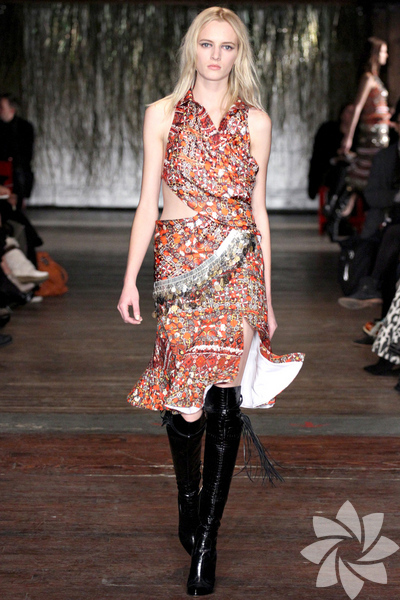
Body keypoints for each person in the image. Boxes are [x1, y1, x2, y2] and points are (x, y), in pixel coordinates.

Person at [118, 7, 304, 596]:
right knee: (188, 407)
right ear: (192, 50)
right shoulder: (161, 114)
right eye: (207, 44)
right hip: (179, 269)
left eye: (227, 46)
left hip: (240, 267)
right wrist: (129, 279)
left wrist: (267, 295)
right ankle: (188, 497)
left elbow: (258, 210)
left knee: (225, 399)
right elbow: (147, 202)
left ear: (238, 53)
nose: (216, 56)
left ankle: (206, 541)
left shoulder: (257, 122)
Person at [338, 100, 400, 312]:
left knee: (393, 237)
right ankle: (381, 316)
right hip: (385, 219)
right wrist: (396, 196)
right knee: (384, 240)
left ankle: (371, 286)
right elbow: (372, 196)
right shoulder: (385, 157)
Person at [340, 37, 391, 216]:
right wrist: (348, 137)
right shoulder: (368, 78)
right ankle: (344, 211)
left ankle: (360, 212)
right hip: (371, 139)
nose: (386, 55)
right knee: (366, 175)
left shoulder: (376, 78)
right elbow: (358, 107)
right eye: (383, 52)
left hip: (381, 137)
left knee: (373, 175)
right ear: (375, 54)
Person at [0, 93, 35, 210]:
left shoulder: (24, 127)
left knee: (14, 210)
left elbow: (25, 156)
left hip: (16, 175)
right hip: (3, 174)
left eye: (2, 107)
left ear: (12, 109)